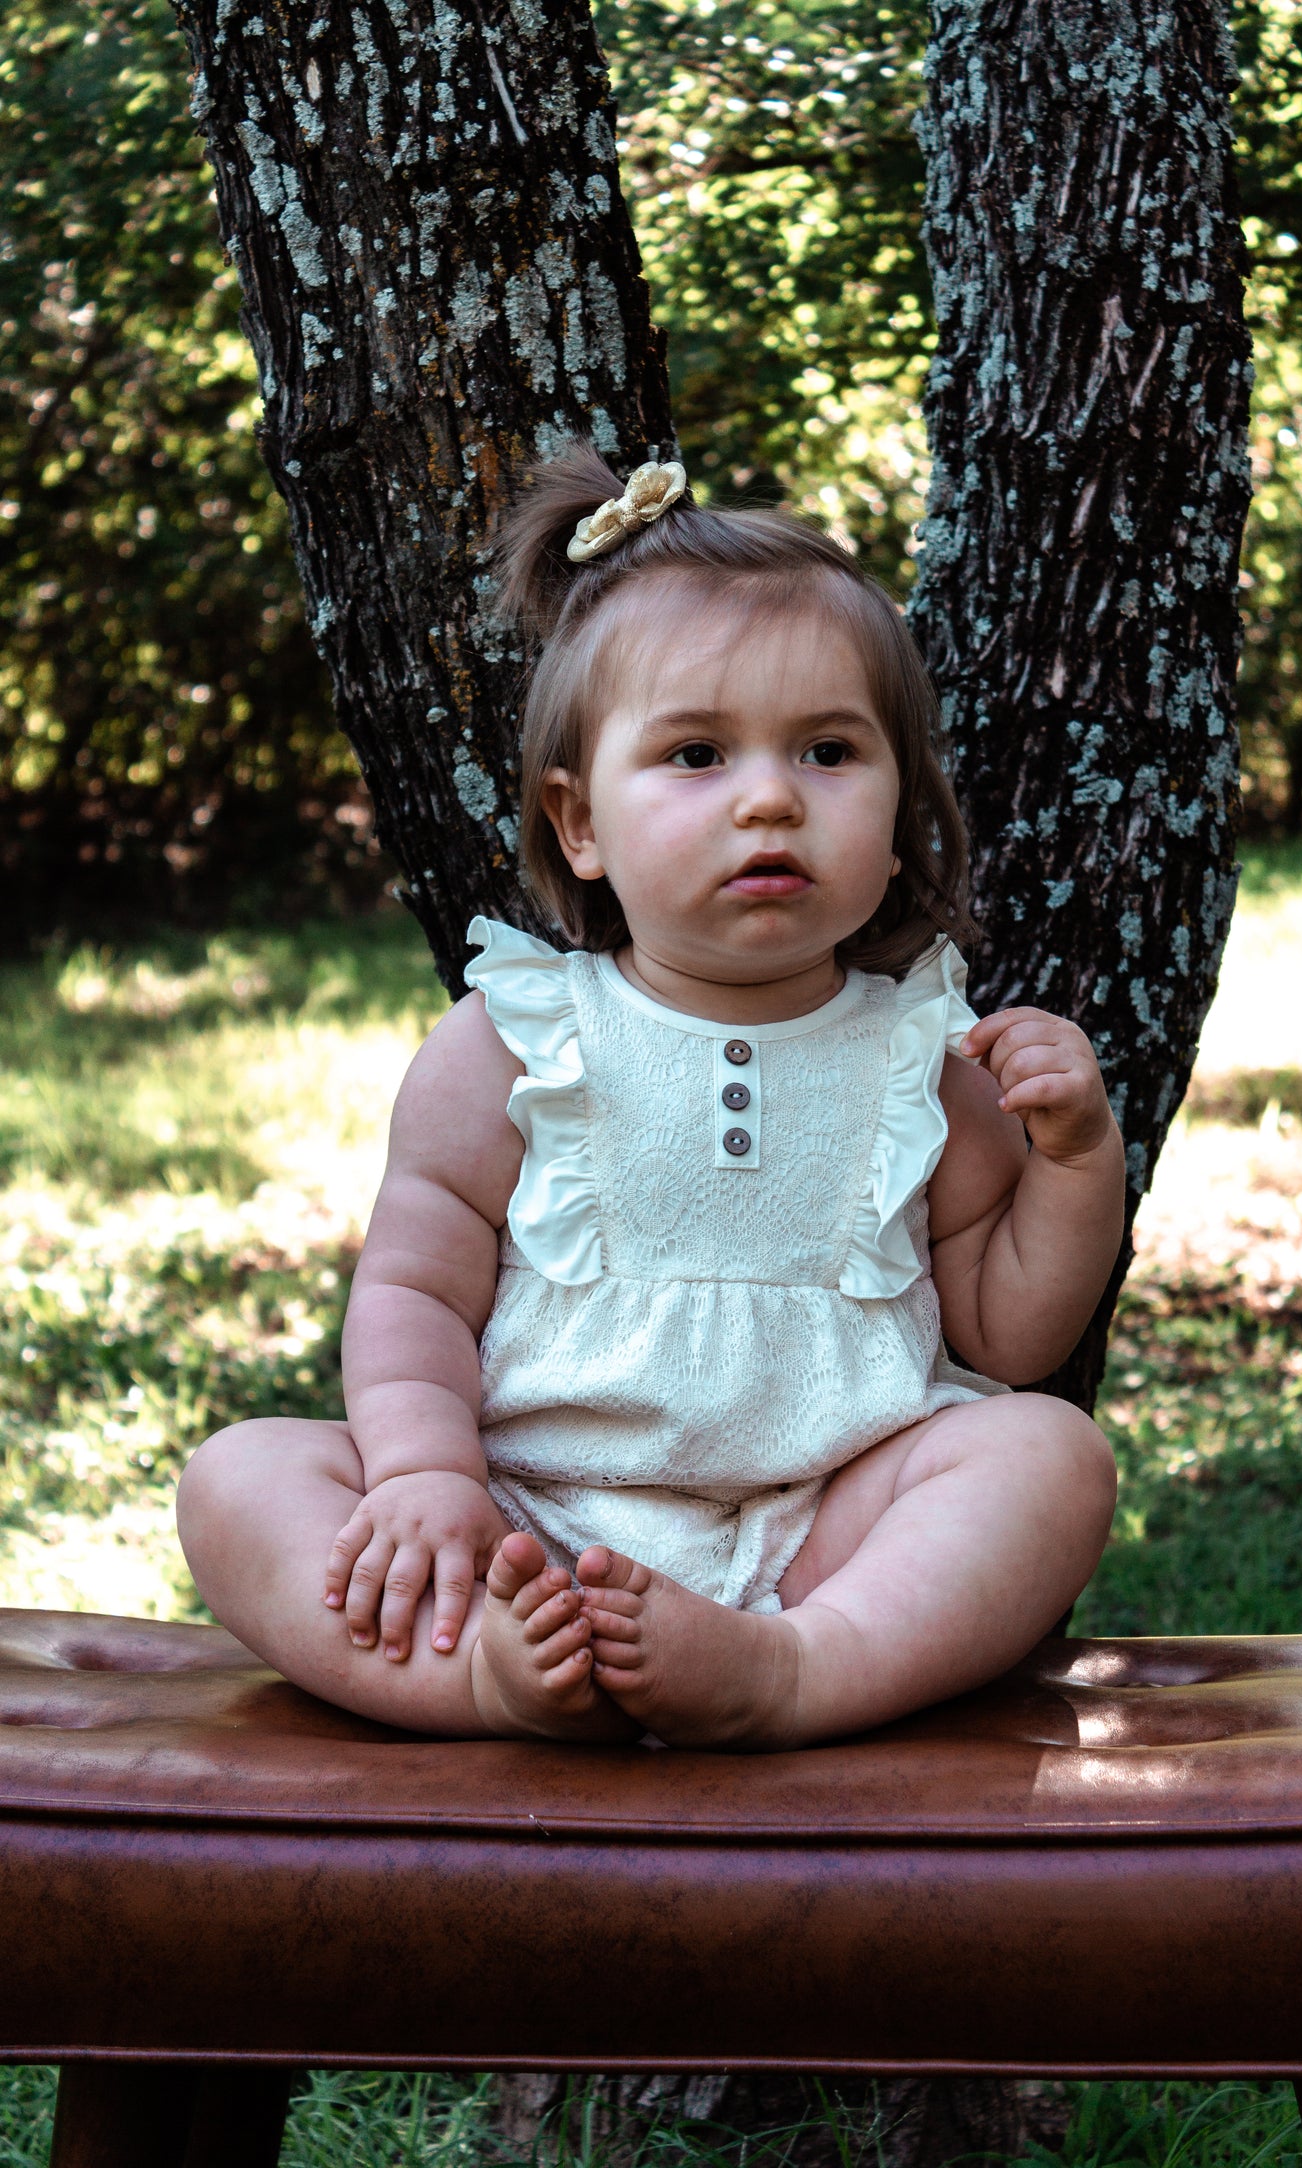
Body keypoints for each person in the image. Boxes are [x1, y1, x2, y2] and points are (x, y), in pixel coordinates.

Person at [178, 442, 1122, 1751]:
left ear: (901, 804)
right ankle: (489, 1682)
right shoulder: (509, 1047)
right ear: (578, 823)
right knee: (241, 1477)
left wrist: (1074, 1158)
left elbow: (1011, 1339)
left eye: (828, 751)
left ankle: (794, 1670)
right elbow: (409, 1295)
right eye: (694, 754)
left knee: (1048, 1457)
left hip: (815, 1535)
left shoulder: (927, 1065)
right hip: (513, 1532)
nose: (769, 799)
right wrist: (426, 1480)